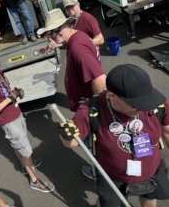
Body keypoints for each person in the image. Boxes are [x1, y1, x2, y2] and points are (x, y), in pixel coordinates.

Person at [59, 64, 169, 207]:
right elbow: (70, 143)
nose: (144, 106)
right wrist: (66, 135)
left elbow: (167, 131)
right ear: (113, 96)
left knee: (149, 198)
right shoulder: (91, 109)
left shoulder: (153, 102)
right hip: (112, 178)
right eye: (136, 104)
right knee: (108, 203)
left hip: (151, 170)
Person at [38, 8, 107, 180]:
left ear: (68, 23)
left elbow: (99, 79)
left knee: (91, 142)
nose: (53, 35)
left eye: (57, 29)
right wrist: (60, 43)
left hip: (91, 106)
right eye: (49, 33)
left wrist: (101, 112)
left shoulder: (77, 47)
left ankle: (100, 172)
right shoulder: (77, 37)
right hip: (88, 101)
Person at [0, 48, 54, 193]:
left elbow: (5, 91)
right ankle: (34, 180)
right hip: (8, 121)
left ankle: (26, 166)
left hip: (16, 113)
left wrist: (16, 92)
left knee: (20, 146)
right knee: (27, 151)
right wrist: (9, 99)